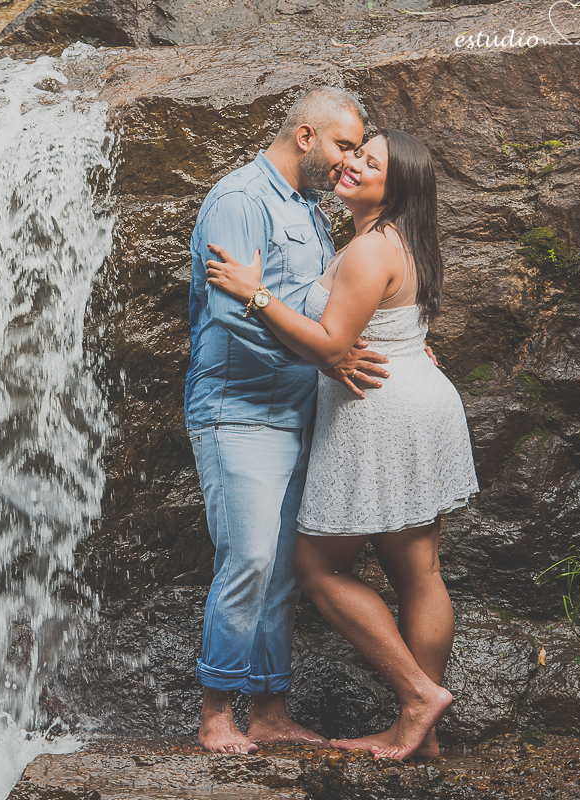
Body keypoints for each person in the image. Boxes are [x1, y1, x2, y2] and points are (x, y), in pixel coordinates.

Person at [204, 129, 479, 761]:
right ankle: (424, 734)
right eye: (354, 152)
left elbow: (330, 347)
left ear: (397, 183)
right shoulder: (405, 240)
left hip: (377, 412)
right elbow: (391, 323)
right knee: (421, 572)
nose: (351, 164)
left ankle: (416, 698)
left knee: (316, 568)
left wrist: (255, 292)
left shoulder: (367, 250)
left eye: (370, 161)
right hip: (419, 399)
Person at [185, 86, 394, 755]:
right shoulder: (240, 201)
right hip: (237, 414)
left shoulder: (309, 210)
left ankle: (270, 714)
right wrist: (328, 358)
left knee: (279, 570)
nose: (345, 164)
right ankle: (216, 716)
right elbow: (230, 317)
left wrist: (391, 340)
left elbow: (320, 307)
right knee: (246, 557)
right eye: (341, 147)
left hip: (296, 412)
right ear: (305, 134)